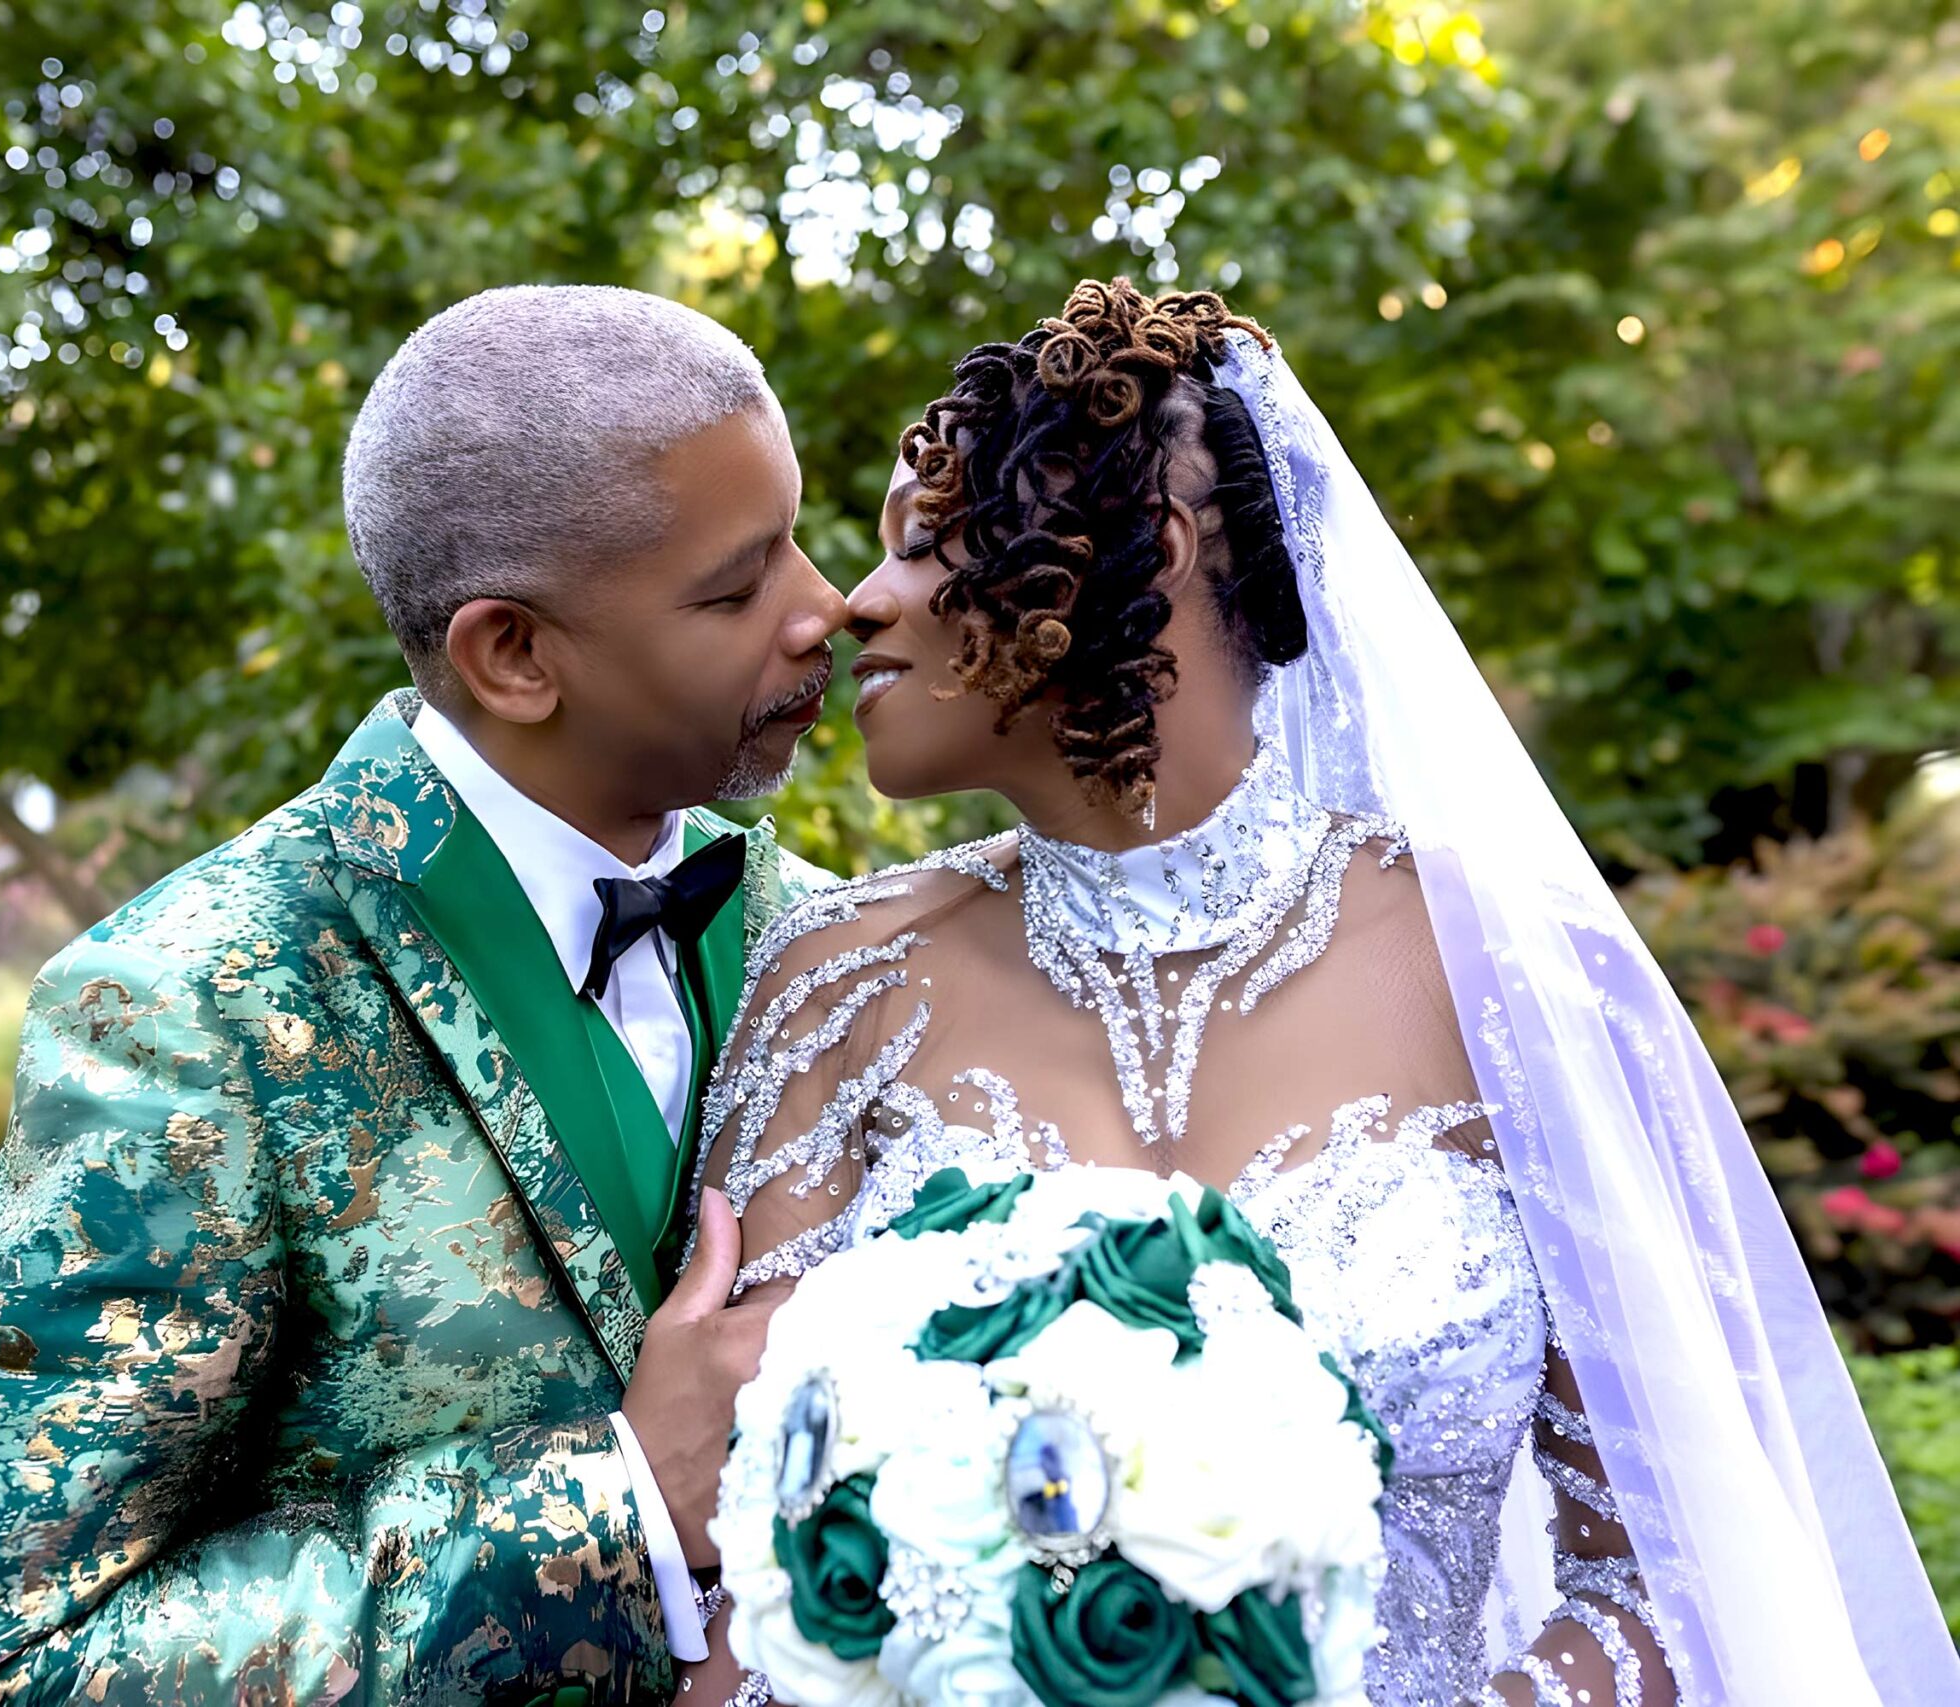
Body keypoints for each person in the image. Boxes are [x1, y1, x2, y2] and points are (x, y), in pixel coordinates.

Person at [684, 279, 1958, 1705]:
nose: (854, 604)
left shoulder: (1515, 980)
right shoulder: (837, 982)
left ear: (1147, 549)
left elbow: (1675, 1568)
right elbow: (753, 1577)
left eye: (925, 547)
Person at [0, 285, 847, 1706]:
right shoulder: (183, 1009)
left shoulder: (832, 933)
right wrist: (618, 1505)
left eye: (800, 542)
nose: (827, 608)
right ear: (513, 655)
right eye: (737, 588)